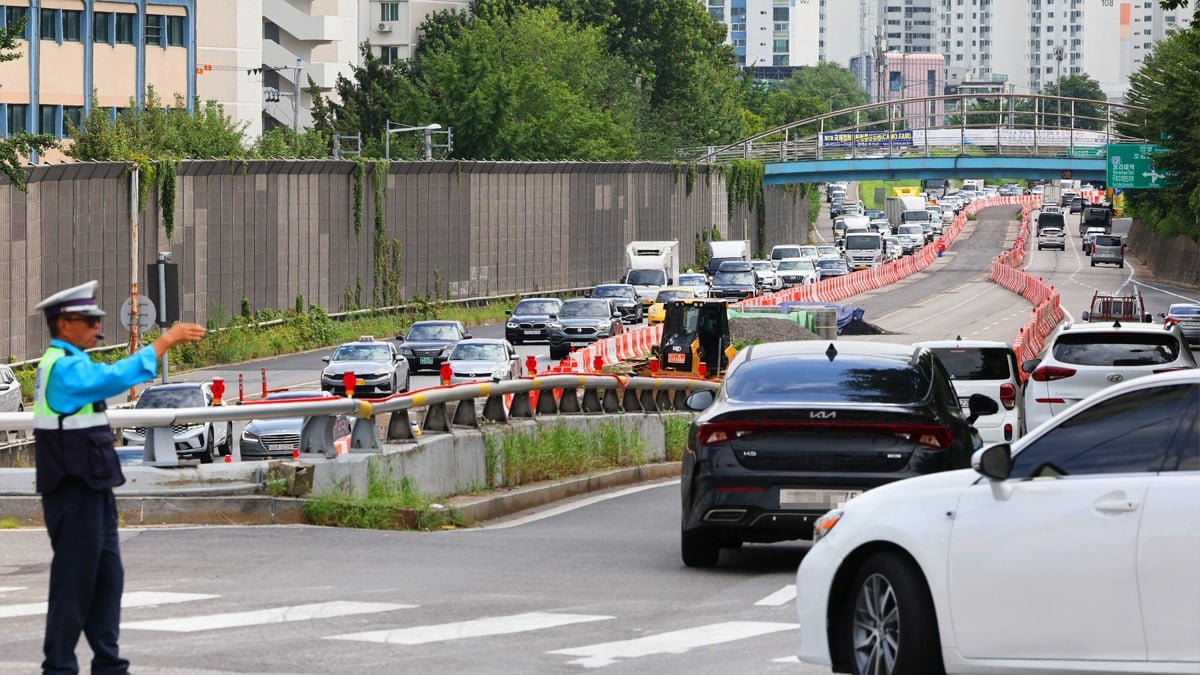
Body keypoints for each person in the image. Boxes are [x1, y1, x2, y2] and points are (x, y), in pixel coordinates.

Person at [32, 280, 206, 675]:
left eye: (98, 319)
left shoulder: (71, 361)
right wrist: (164, 342)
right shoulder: (62, 368)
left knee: (108, 579)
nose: (98, 326)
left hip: (93, 488)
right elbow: (111, 379)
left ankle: (109, 665)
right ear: (64, 325)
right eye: (89, 320)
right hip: (73, 492)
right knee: (74, 583)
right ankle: (58, 668)